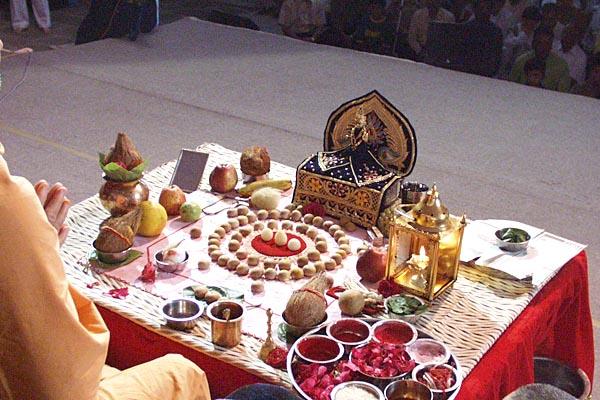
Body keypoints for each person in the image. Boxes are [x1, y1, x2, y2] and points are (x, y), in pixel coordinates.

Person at [0, 140, 211, 399]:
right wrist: (43, 259)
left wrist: (37, 256)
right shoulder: (9, 203)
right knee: (182, 372)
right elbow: (57, 386)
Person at [509, 25, 572, 91]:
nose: (543, 47)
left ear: (551, 45)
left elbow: (563, 93)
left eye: (547, 43)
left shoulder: (561, 66)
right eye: (540, 43)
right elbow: (511, 87)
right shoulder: (521, 61)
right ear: (534, 43)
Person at [462, 0, 504, 77]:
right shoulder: (465, 28)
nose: (484, 11)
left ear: (491, 10)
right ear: (475, 9)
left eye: (487, 8)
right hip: (466, 71)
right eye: (481, 8)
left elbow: (497, 58)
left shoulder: (496, 32)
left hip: (486, 74)